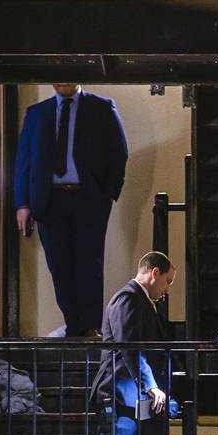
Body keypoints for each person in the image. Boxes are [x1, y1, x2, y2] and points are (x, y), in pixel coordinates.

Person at [14, 84, 129, 337]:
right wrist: (22, 203)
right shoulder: (37, 113)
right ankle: (74, 325)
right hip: (49, 199)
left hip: (88, 198)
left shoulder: (101, 107)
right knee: (59, 265)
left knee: (89, 263)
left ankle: (90, 326)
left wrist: (108, 194)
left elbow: (118, 152)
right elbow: (24, 160)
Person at [71, 252, 176, 435]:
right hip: (119, 394)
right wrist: (151, 385)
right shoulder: (128, 298)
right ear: (154, 273)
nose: (167, 290)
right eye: (167, 281)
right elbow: (129, 346)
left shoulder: (140, 301)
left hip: (134, 397)